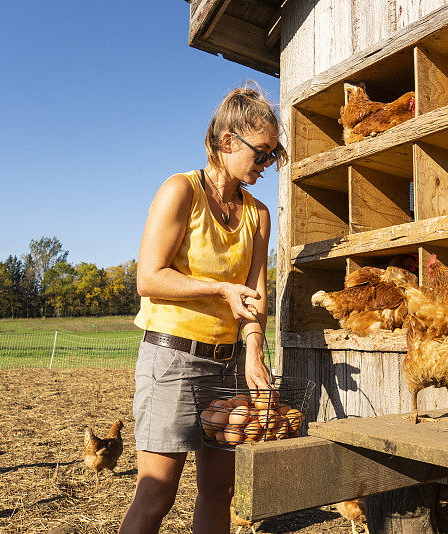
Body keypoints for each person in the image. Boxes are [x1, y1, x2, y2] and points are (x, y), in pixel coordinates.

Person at [118, 83, 286, 534]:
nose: (267, 164)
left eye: (272, 155)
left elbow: (254, 292)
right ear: (228, 141)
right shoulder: (181, 190)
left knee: (220, 491)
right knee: (156, 496)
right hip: (173, 357)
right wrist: (219, 289)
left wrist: (255, 350)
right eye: (262, 153)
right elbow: (148, 278)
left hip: (230, 362)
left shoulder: (258, 214)